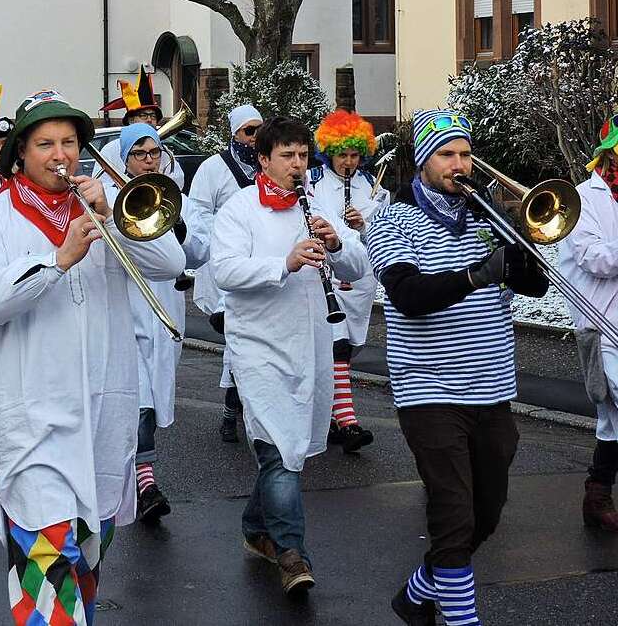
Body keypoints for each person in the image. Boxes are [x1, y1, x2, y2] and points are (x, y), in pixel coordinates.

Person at [0, 90, 185, 625]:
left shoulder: (102, 210)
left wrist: (114, 217)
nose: (59, 154)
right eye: (45, 144)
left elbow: (170, 261)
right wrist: (58, 259)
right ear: (20, 154)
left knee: (85, 563)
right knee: (46, 561)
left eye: (68, 142)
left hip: (104, 413)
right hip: (33, 417)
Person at [366, 110, 547, 626]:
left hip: (491, 386)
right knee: (453, 510)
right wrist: (475, 275)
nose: (460, 164)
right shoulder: (394, 218)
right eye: (447, 154)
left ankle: (417, 593)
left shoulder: (486, 213)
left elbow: (534, 288)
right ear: (423, 162)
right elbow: (406, 295)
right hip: (429, 389)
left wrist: (521, 249)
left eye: (466, 154)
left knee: (486, 512)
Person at [211, 119, 368, 597]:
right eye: (287, 156)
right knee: (279, 450)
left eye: (303, 155)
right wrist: (285, 263)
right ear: (263, 159)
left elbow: (361, 266)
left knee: (290, 446)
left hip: (311, 342)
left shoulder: (316, 206)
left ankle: (256, 526)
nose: (298, 165)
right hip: (259, 345)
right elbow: (225, 271)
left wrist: (339, 245)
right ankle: (291, 551)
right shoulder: (239, 209)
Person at [101, 123, 208, 524]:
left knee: (155, 395)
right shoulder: (109, 199)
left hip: (164, 311)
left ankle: (136, 474)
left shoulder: (178, 198)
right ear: (124, 160)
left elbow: (200, 251)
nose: (148, 160)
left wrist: (179, 230)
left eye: (153, 153)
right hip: (123, 310)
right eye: (139, 154)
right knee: (138, 399)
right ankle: (144, 482)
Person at [309, 109, 390, 452]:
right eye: (343, 154)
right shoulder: (312, 183)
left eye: (355, 154)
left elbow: (388, 233)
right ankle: (348, 420)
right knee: (336, 345)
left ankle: (328, 416)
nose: (349, 161)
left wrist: (365, 226)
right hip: (324, 273)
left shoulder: (373, 188)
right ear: (330, 152)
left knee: (347, 349)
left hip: (361, 278)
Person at [188, 104, 264, 443]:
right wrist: (226, 233)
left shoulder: (269, 165)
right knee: (239, 344)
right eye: (249, 131)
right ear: (234, 134)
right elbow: (198, 211)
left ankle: (244, 412)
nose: (256, 138)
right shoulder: (213, 168)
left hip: (262, 266)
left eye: (260, 130)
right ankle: (234, 410)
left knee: (254, 347)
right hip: (228, 266)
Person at [558, 115, 618, 534]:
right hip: (600, 325)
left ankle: (596, 496)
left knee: (611, 419)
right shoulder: (581, 199)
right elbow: (595, 258)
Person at [93, 67, 185, 189]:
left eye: (153, 116)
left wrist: (162, 181)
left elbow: (178, 182)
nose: (149, 119)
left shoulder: (163, 150)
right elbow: (100, 185)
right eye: (143, 115)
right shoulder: (110, 149)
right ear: (131, 120)